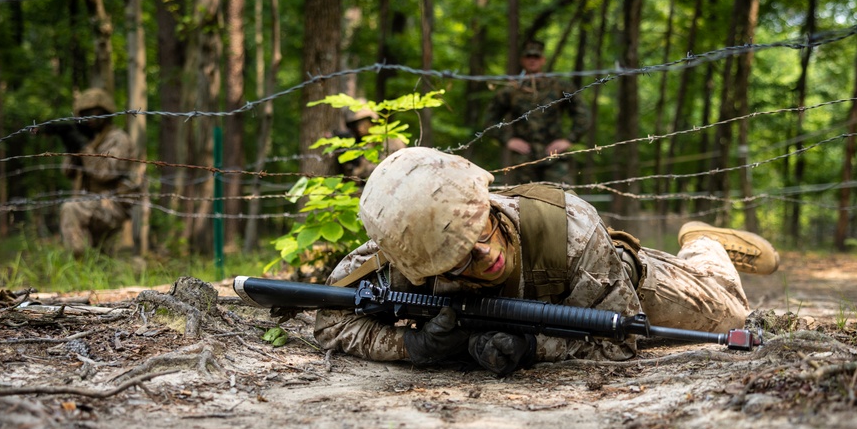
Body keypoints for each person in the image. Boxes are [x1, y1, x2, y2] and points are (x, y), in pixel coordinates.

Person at [313, 147, 779, 376]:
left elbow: (617, 344)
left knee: (733, 312)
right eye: (458, 259)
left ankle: (703, 244)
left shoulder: (571, 229)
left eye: (484, 231)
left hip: (623, 284)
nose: (488, 256)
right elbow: (330, 323)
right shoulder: (408, 247)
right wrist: (414, 348)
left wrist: (534, 349)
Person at [483, 40, 590, 184]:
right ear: (522, 60)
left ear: (543, 60)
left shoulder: (559, 87)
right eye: (528, 57)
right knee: (523, 201)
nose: (532, 60)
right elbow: (490, 119)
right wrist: (507, 139)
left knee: (562, 198)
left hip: (554, 155)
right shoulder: (511, 90)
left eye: (536, 57)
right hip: (523, 159)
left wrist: (569, 139)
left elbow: (582, 115)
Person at [56, 88, 137, 257]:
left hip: (111, 205)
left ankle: (79, 262)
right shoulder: (88, 138)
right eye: (85, 114)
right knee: (103, 258)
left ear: (105, 113)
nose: (90, 118)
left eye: (94, 113)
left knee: (70, 209)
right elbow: (67, 172)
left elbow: (105, 172)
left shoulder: (118, 139)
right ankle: (81, 266)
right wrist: (73, 147)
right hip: (88, 204)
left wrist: (84, 149)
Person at [332, 100, 406, 181]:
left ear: (372, 121)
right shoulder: (361, 144)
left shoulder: (391, 139)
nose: (359, 128)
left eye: (362, 123)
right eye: (355, 124)